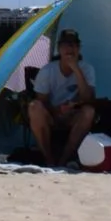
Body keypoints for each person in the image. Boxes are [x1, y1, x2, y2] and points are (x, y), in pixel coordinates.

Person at [25, 29, 99, 166]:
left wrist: (76, 69)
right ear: (59, 49)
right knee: (34, 108)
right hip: (52, 114)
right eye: (66, 45)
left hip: (73, 115)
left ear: (79, 48)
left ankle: (64, 159)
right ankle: (48, 158)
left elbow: (89, 99)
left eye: (73, 45)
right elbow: (41, 100)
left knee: (89, 112)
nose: (70, 49)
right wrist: (56, 111)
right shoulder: (48, 71)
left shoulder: (87, 69)